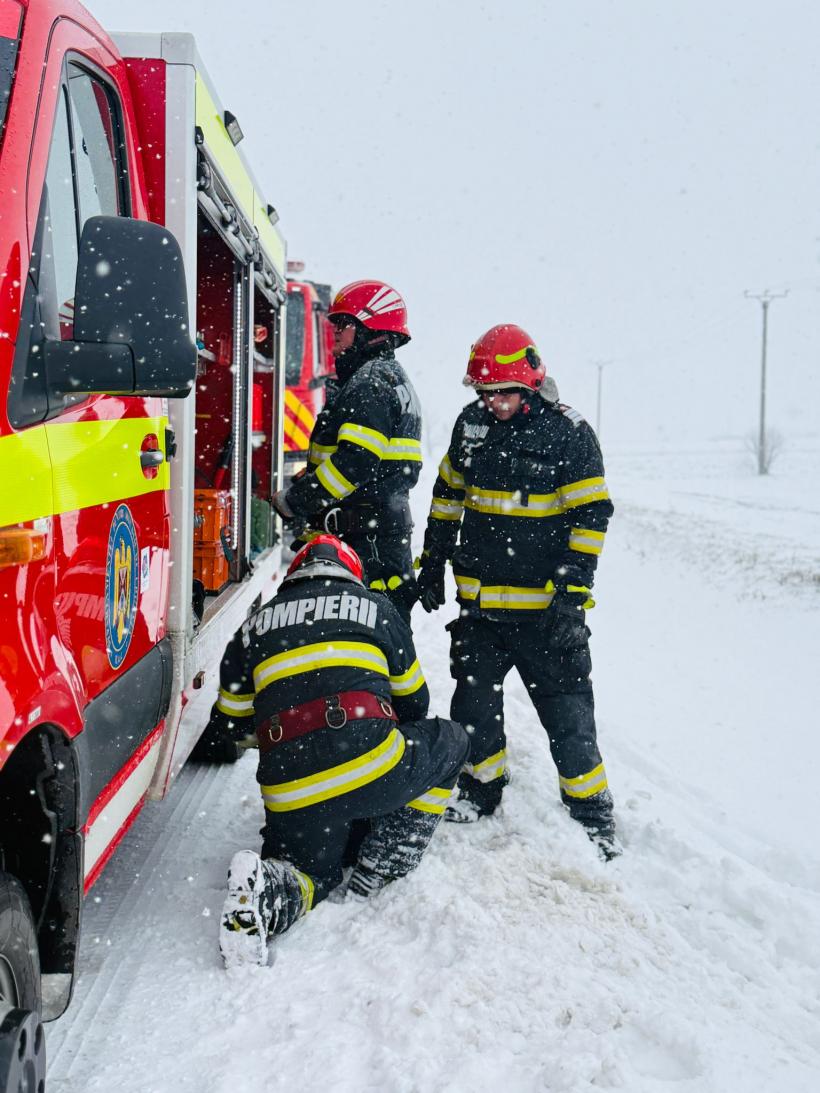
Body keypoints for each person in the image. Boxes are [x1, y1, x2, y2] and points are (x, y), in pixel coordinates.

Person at [212, 534, 469, 966]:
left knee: (310, 874)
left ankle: (269, 891)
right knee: (450, 740)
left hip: (292, 792)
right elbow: (415, 705)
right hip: (372, 768)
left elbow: (231, 724)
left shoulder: (252, 628)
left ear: (295, 576)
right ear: (352, 574)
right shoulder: (378, 609)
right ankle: (382, 864)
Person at [415, 324, 618, 858]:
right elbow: (447, 495)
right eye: (486, 393)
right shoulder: (470, 426)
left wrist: (571, 597)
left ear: (530, 384)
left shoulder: (568, 433)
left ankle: (592, 812)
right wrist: (432, 561)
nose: (495, 403)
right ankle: (481, 789)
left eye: (504, 393)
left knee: (569, 717)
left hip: (546, 615)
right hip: (481, 610)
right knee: (474, 705)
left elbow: (591, 516)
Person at [273, 280, 423, 623]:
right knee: (382, 636)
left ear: (372, 331)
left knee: (360, 635)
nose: (335, 332)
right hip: (377, 535)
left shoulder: (371, 383)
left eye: (344, 324)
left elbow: (355, 463)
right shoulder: (386, 378)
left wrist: (298, 500)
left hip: (365, 541)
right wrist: (311, 479)